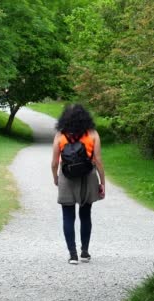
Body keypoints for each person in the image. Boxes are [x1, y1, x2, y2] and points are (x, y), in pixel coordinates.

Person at [51, 104, 106, 264]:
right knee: (85, 214)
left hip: (67, 177)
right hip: (88, 176)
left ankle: (72, 254)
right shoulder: (93, 134)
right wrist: (102, 182)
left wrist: (56, 178)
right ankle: (85, 252)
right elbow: (98, 161)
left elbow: (54, 162)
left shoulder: (60, 135)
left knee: (68, 216)